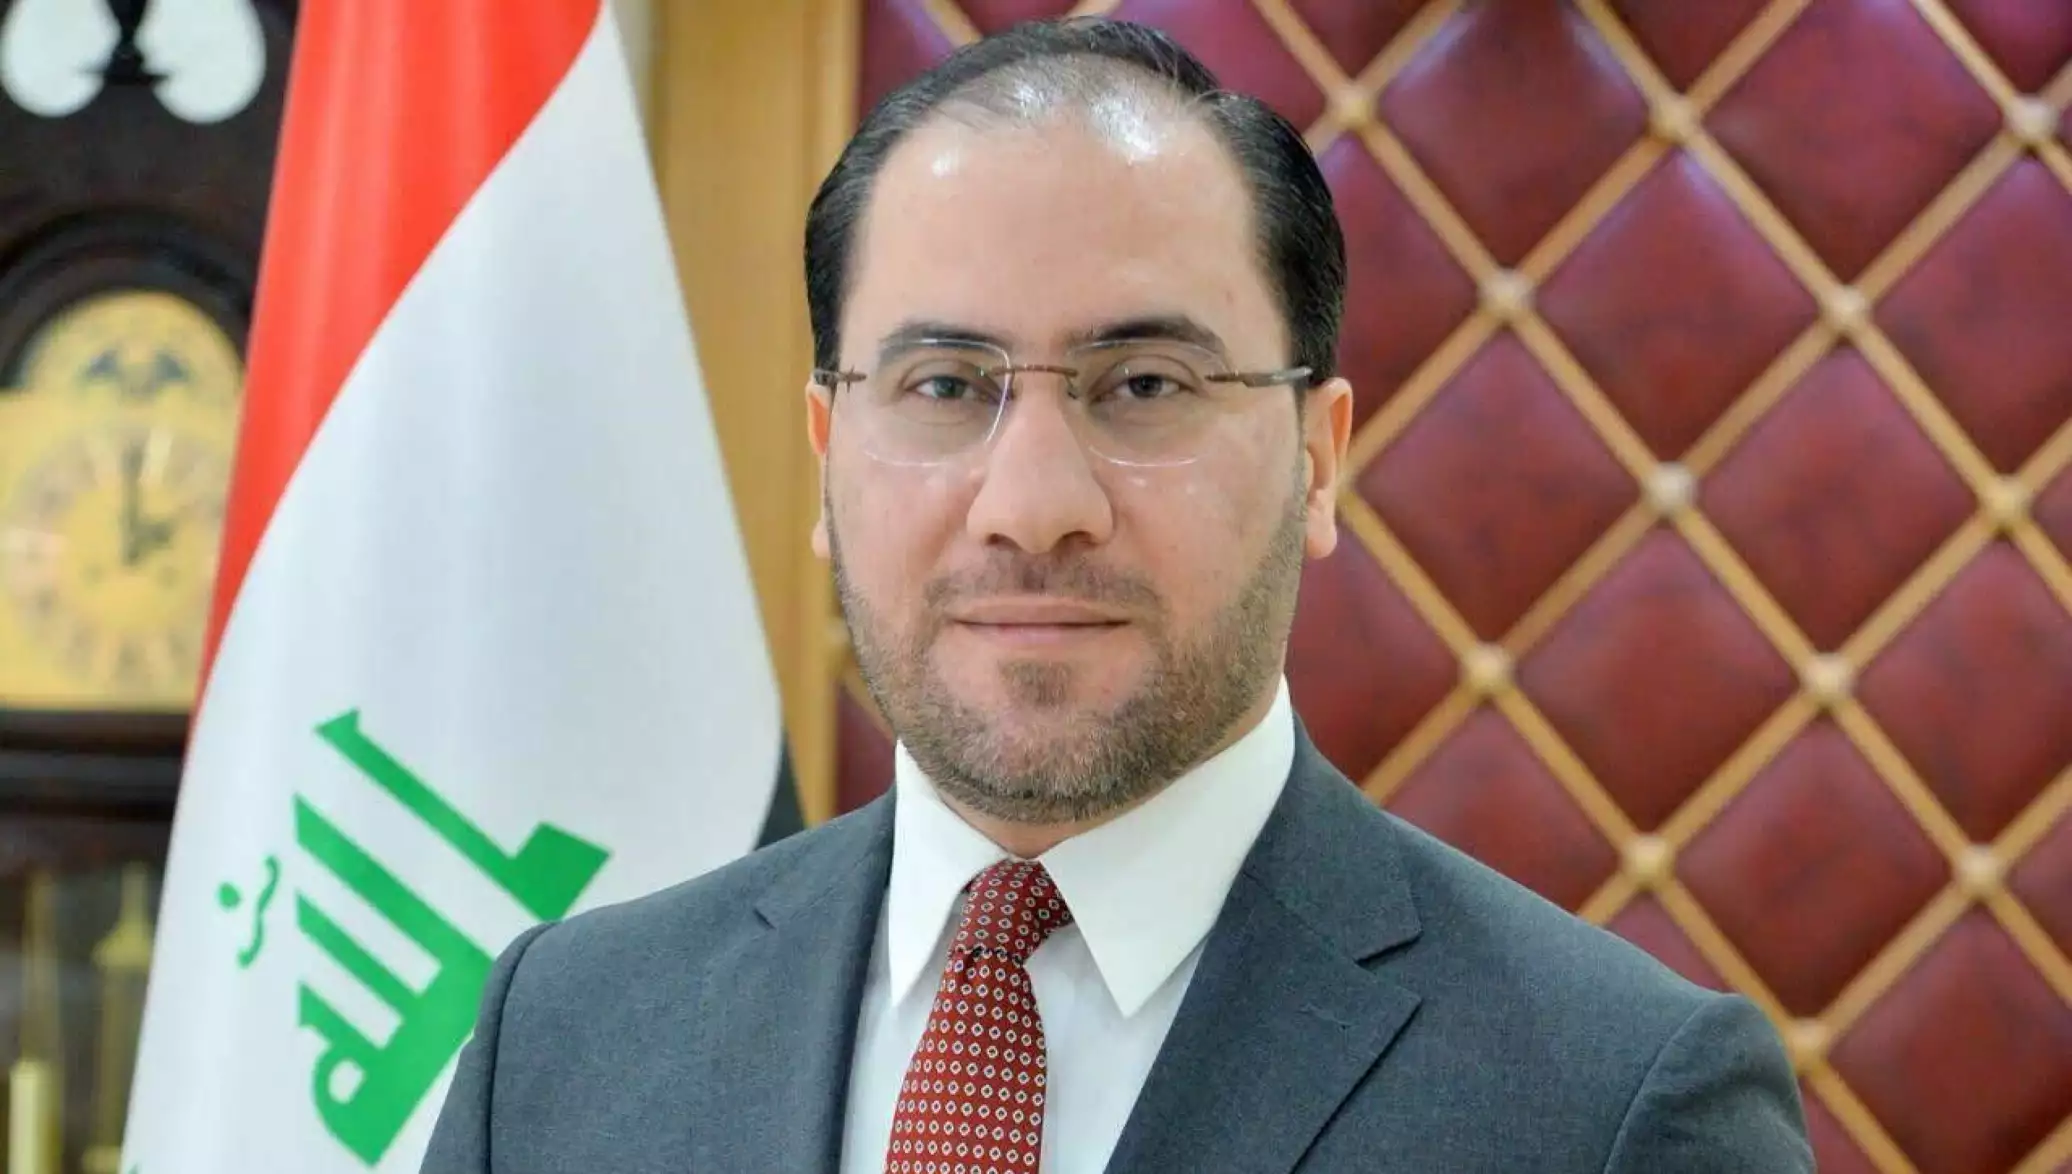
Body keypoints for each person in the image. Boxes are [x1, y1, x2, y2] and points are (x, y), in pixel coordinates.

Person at [420, 16, 1813, 1173]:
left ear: (1318, 462)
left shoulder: (1612, 1106)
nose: (1032, 504)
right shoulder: (564, 1042)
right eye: (944, 386)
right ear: (829, 456)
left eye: (1144, 385)